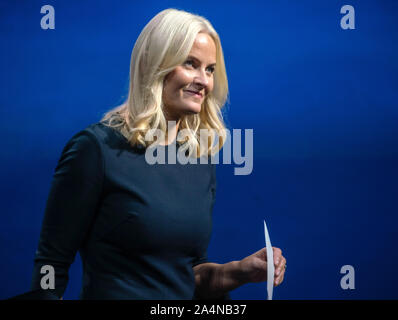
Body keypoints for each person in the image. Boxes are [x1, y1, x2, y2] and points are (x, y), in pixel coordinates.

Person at [30, 8, 286, 300]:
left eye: (210, 69)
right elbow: (51, 264)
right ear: (156, 65)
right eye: (190, 64)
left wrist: (235, 272)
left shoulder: (197, 157)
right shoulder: (96, 149)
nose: (203, 80)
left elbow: (186, 273)